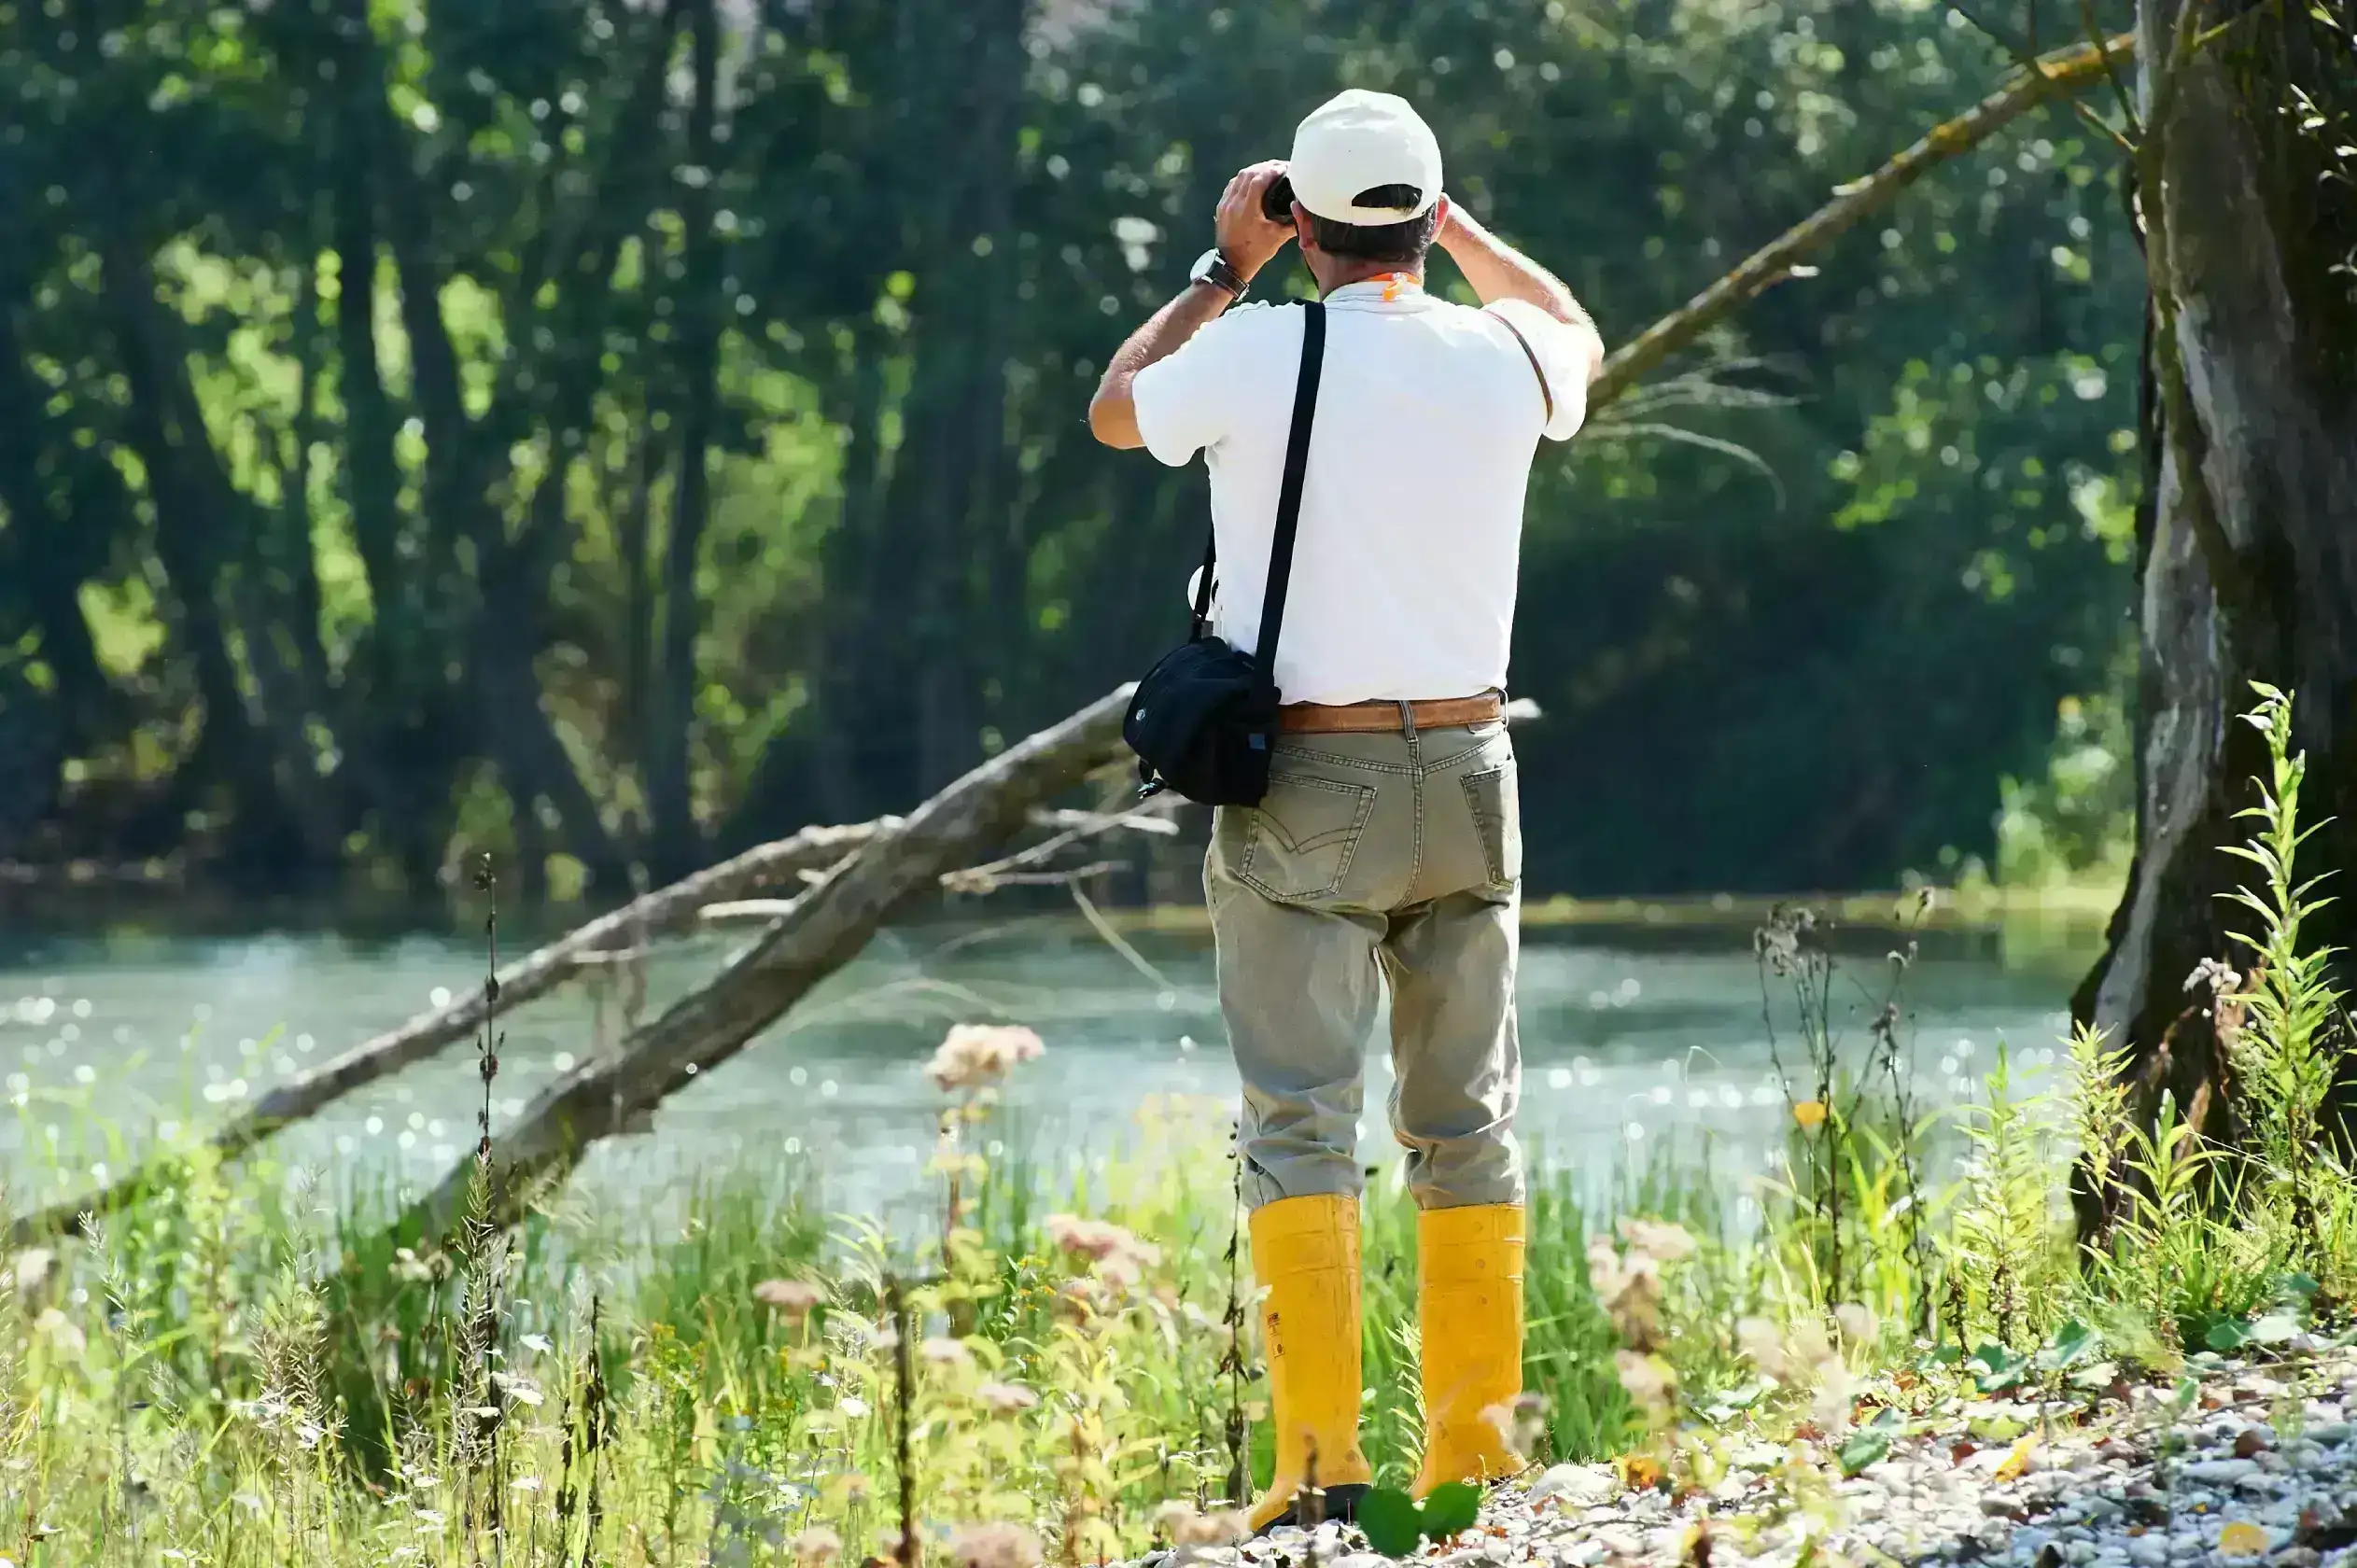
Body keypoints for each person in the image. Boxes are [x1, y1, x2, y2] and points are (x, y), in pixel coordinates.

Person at [1087, 90, 1604, 1528]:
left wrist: (1219, 270)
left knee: (1299, 1123)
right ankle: (1477, 1464)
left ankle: (1318, 1474)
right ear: (1431, 223)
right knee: (1467, 1124)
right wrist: (1466, 232)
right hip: (1472, 768)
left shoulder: (1254, 346)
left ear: (1298, 222)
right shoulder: (1504, 356)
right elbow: (1578, 332)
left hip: (1303, 781)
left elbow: (1118, 412)